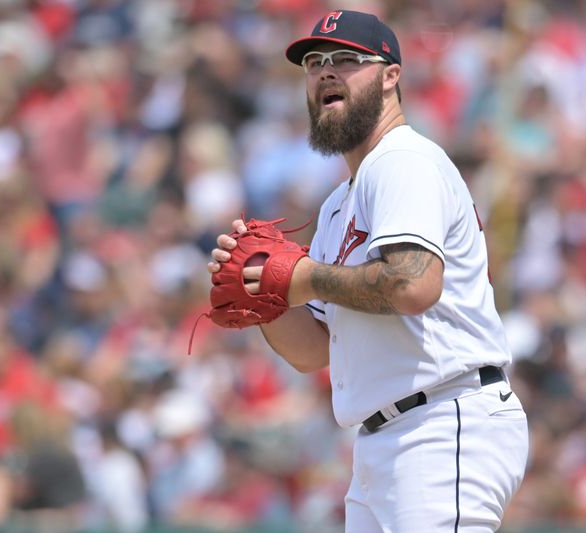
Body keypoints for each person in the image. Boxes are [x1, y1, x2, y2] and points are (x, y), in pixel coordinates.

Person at [208, 10, 529, 532]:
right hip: (385, 438)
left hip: (444, 418)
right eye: (314, 63)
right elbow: (313, 350)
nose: (326, 72)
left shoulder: (403, 160)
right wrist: (261, 293)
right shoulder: (338, 204)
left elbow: (411, 283)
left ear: (390, 75)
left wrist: (306, 277)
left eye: (346, 60)